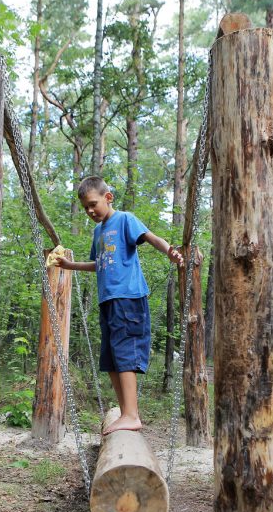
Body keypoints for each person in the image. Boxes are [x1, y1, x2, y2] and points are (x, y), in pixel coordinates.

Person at [55, 176, 183, 435]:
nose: (90, 211)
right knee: (111, 358)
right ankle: (125, 411)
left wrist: (170, 252)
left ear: (108, 197)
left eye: (93, 204)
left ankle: (131, 415)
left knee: (125, 353)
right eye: (86, 208)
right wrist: (70, 266)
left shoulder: (124, 219)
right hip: (108, 300)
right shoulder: (98, 231)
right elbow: (99, 263)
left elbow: (152, 238)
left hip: (128, 298)